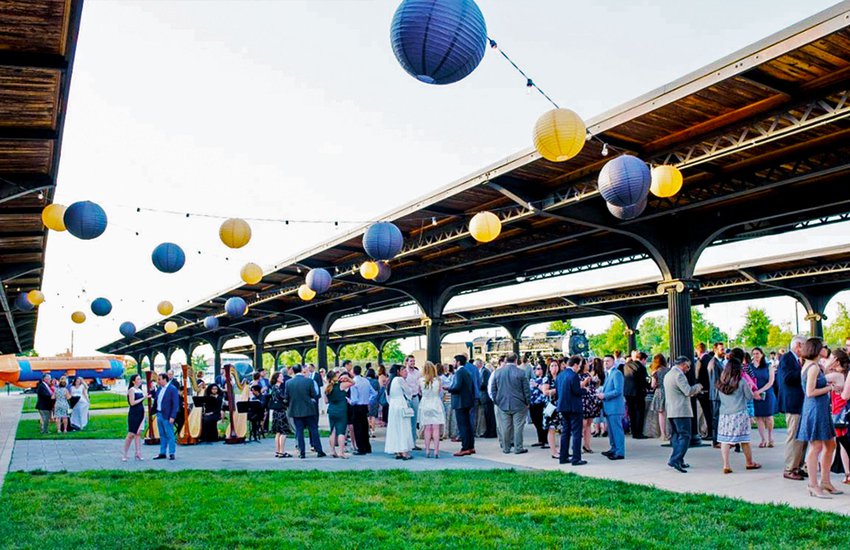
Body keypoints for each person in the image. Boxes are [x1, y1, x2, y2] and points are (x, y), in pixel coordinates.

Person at [796, 338, 840, 498]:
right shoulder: (813, 367)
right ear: (816, 349)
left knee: (830, 444)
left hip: (819, 409)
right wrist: (830, 388)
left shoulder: (814, 365)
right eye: (823, 346)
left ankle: (826, 482)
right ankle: (813, 485)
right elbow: (810, 392)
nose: (825, 348)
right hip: (814, 410)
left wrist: (827, 368)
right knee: (816, 447)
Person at [715, 357, 762, 474]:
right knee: (744, 440)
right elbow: (749, 397)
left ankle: (726, 465)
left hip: (724, 414)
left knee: (725, 440)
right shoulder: (741, 381)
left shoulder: (719, 382)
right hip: (739, 413)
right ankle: (749, 462)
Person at [664, 356, 703, 473]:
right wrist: (698, 386)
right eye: (687, 366)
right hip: (681, 411)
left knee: (677, 436)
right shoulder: (679, 375)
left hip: (672, 410)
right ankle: (675, 459)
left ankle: (679, 460)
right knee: (685, 436)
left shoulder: (669, 374)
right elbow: (688, 391)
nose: (688, 369)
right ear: (682, 364)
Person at [778, 335, 807, 481]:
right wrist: (805, 370)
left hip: (800, 403)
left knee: (802, 438)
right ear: (798, 345)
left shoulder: (797, 360)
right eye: (805, 345)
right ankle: (790, 468)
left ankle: (798, 466)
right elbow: (787, 378)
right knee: (794, 437)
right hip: (792, 403)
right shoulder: (787, 358)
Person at [491, 352, 531, 455]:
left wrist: (497, 401)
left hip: (503, 404)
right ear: (516, 360)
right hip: (519, 404)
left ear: (506, 360)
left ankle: (506, 448)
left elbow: (493, 389)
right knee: (518, 427)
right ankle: (518, 448)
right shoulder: (521, 372)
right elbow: (526, 389)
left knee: (505, 427)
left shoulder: (497, 372)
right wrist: (527, 402)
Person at [285, 365, 325, 459]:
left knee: (299, 431)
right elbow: (314, 395)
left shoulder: (288, 383)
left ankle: (301, 452)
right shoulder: (309, 381)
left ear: (293, 371)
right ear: (301, 370)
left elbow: (287, 397)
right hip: (309, 410)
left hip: (295, 410)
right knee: (314, 430)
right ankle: (319, 450)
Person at [557, 355, 587, 466]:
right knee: (576, 433)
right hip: (574, 408)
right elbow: (576, 391)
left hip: (563, 407)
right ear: (574, 365)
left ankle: (563, 457)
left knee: (565, 432)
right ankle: (576, 458)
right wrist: (584, 390)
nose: (579, 368)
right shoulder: (574, 376)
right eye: (579, 366)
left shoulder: (560, 375)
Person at [827, 348, 850, 485]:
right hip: (841, 411)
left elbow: (818, 378)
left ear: (836, 360)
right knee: (843, 444)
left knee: (843, 444)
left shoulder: (837, 376)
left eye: (831, 358)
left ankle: (848, 473)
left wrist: (828, 366)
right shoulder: (844, 374)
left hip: (840, 412)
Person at [447, 354, 477, 456]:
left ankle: (465, 447)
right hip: (467, 402)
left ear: (458, 362)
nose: (453, 363)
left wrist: (448, 389)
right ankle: (471, 446)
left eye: (454, 361)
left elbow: (457, 387)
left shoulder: (459, 372)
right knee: (468, 425)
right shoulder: (466, 371)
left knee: (462, 426)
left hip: (460, 402)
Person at [597, 354, 625, 460]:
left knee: (617, 430)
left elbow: (618, 390)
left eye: (608, 361)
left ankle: (620, 452)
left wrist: (604, 395)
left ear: (613, 362)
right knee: (611, 431)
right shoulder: (608, 374)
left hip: (615, 407)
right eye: (604, 361)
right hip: (609, 407)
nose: (605, 363)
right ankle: (613, 448)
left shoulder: (617, 373)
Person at [696, 342, 724, 446]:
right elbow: (714, 380)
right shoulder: (712, 362)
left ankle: (715, 437)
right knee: (714, 416)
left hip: (710, 392)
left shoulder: (711, 361)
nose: (723, 351)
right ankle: (715, 439)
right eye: (721, 349)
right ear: (715, 349)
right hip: (714, 392)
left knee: (712, 415)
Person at [384, 364, 414, 460]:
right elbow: (409, 392)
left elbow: (387, 397)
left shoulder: (390, 381)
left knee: (395, 427)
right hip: (401, 404)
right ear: (398, 371)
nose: (405, 371)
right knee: (403, 427)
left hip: (393, 406)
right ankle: (404, 452)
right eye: (403, 370)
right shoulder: (400, 380)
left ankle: (397, 451)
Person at [749, 347, 777, 448]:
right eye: (754, 354)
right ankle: (763, 439)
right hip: (754, 394)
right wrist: (754, 392)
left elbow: (771, 382)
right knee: (759, 417)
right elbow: (747, 380)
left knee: (769, 417)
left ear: (762, 354)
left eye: (757, 353)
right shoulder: (749, 367)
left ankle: (770, 438)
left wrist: (760, 391)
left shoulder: (768, 366)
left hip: (767, 394)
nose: (756, 356)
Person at [418, 361, 446, 458]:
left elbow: (420, 392)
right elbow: (439, 392)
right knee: (436, 429)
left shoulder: (421, 380)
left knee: (427, 429)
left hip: (425, 403)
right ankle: (436, 451)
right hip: (436, 404)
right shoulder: (437, 381)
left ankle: (427, 450)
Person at [349, 365, 377, 455]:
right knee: (365, 427)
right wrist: (368, 400)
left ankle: (361, 448)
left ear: (353, 371)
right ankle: (367, 447)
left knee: (358, 428)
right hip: (365, 406)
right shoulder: (366, 381)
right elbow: (374, 393)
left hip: (357, 407)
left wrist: (349, 401)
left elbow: (354, 400)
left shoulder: (353, 382)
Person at [153, 372, 179, 460]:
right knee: (162, 434)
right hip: (159, 413)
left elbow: (175, 404)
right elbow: (156, 399)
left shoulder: (172, 389)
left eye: (159, 379)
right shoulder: (159, 389)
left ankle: (172, 453)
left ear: (165, 379)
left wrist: (173, 416)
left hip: (167, 415)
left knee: (170, 434)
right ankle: (162, 452)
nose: (158, 381)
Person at [622, 351, 648, 439]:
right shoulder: (641, 367)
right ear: (643, 359)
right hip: (638, 392)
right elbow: (643, 381)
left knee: (631, 412)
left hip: (628, 392)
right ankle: (638, 432)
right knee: (639, 412)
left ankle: (633, 431)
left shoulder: (626, 365)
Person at [122, 374, 147, 461]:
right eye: (138, 379)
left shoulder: (139, 390)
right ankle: (125, 454)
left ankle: (138, 453)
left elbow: (142, 403)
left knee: (138, 433)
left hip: (140, 412)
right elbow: (132, 403)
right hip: (134, 413)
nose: (140, 380)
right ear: (133, 381)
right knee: (131, 434)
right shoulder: (131, 390)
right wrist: (143, 398)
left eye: (140, 379)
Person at [267, 373, 292, 458]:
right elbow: (284, 399)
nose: (283, 378)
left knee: (278, 432)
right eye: (281, 377)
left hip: (275, 412)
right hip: (281, 412)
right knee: (284, 432)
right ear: (277, 378)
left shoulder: (273, 388)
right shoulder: (278, 389)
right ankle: (282, 452)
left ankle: (277, 451)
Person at [580, 358, 602, 453]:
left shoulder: (589, 374)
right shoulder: (578, 375)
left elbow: (594, 386)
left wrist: (596, 381)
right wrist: (586, 381)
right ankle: (578, 445)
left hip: (591, 401)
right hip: (583, 401)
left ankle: (587, 445)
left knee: (589, 424)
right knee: (583, 424)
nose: (589, 365)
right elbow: (579, 386)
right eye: (587, 363)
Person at [541, 359, 562, 459]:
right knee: (552, 428)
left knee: (562, 428)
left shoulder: (561, 377)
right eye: (552, 366)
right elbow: (545, 391)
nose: (554, 368)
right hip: (551, 406)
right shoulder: (547, 378)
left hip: (561, 405)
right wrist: (556, 390)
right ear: (549, 368)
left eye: (556, 365)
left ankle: (562, 450)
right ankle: (553, 451)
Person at [648, 354, 670, 440]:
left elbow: (653, 385)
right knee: (670, 414)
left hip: (660, 392)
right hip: (668, 391)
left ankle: (663, 434)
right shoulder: (669, 370)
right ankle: (670, 433)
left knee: (661, 414)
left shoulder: (655, 372)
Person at [403, 355, 423, 451]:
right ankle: (406, 442)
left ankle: (413, 443)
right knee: (406, 420)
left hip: (415, 397)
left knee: (414, 421)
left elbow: (419, 385)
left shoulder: (417, 373)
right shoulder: (404, 372)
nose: (413, 363)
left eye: (414, 361)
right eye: (411, 361)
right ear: (407, 362)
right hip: (407, 398)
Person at [529, 364, 549, 448]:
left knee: (542, 422)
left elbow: (545, 390)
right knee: (536, 421)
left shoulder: (545, 379)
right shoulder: (532, 379)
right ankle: (540, 440)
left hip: (542, 403)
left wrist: (537, 385)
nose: (536, 370)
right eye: (535, 368)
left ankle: (546, 440)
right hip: (532, 403)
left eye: (538, 369)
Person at [366, 367, 381, 437]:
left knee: (367, 416)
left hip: (366, 400)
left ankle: (368, 431)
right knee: (373, 416)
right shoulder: (376, 381)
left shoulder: (365, 381)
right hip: (374, 401)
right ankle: (373, 431)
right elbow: (379, 391)